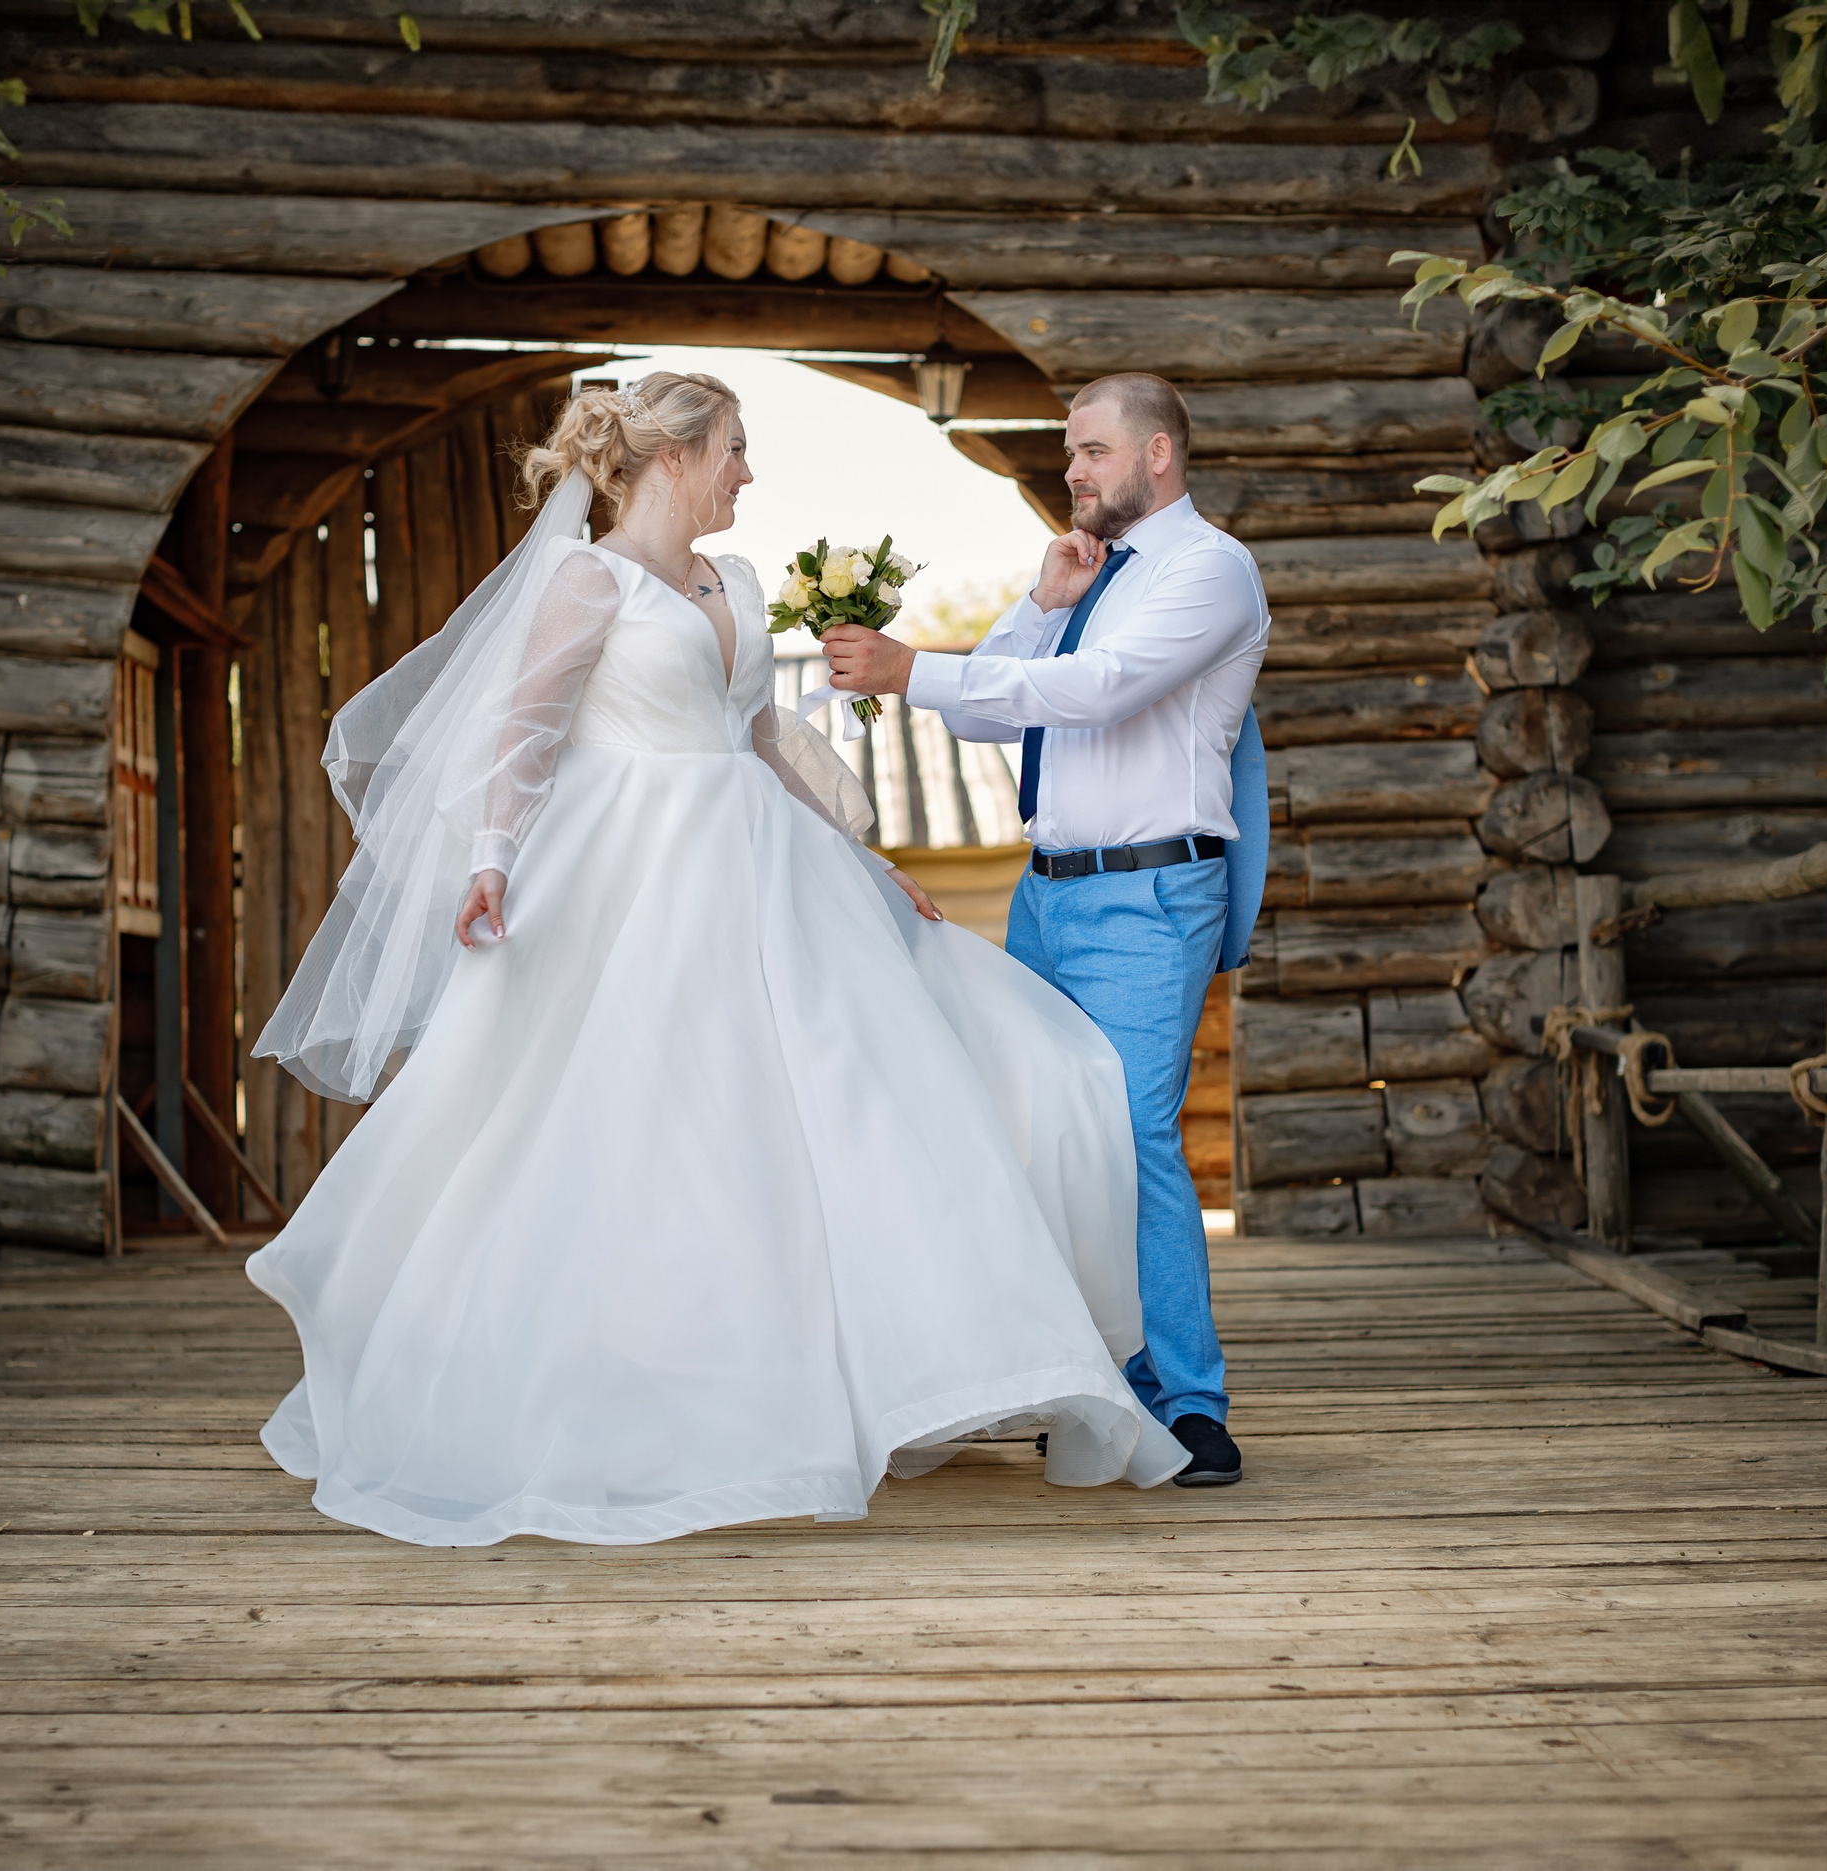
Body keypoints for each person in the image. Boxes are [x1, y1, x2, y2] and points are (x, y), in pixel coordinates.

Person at [242, 371, 1187, 1547]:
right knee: (634, 1121)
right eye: (735, 447)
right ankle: (628, 1391)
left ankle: (869, 1374)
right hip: (635, 871)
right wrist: (490, 857)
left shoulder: (732, 578)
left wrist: (860, 856)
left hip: (771, 865)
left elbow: (759, 738)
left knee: (850, 1104)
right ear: (675, 457)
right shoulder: (588, 579)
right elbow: (525, 732)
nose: (749, 471)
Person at [821, 372, 1271, 1488]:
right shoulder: (1090, 577)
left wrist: (909, 666)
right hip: (1050, 893)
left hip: (1148, 895)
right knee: (1042, 1126)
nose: (1072, 470)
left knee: (1131, 1132)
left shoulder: (1209, 569)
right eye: (1070, 453)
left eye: (1092, 450)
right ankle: (1083, 1377)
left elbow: (1101, 689)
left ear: (1158, 453)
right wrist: (1041, 600)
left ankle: (1187, 1400)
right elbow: (988, 710)